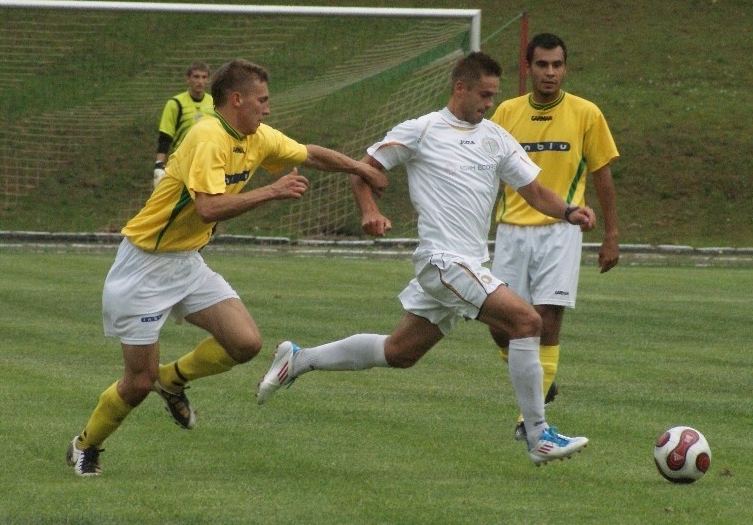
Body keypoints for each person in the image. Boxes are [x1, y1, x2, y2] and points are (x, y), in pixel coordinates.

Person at [257, 52, 594, 466]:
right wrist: (370, 211)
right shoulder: (422, 130)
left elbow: (535, 191)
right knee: (527, 322)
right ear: (460, 88)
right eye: (484, 95)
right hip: (443, 262)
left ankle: (300, 358)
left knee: (400, 352)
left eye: (493, 96)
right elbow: (365, 169)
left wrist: (569, 212)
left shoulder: (497, 138)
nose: (489, 103)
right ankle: (538, 435)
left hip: (468, 265)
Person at [65, 58, 388, 477]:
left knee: (244, 342)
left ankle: (173, 379)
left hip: (186, 262)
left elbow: (309, 154)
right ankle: (85, 445)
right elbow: (207, 208)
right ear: (237, 99)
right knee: (137, 383)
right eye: (262, 101)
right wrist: (271, 191)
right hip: (143, 267)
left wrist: (360, 167)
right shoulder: (207, 136)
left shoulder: (255, 136)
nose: (268, 109)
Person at [489, 33, 620, 441]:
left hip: (562, 232)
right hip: (511, 231)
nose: (550, 72)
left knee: (547, 322)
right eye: (542, 65)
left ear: (565, 67)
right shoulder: (506, 113)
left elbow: (602, 173)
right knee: (498, 323)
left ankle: (530, 418)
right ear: (528, 67)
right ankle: (541, 382)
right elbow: (484, 169)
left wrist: (612, 234)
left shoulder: (586, 113)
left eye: (557, 65)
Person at [153, 62, 217, 188]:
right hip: (181, 163)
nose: (200, 81)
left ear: (208, 80)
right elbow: (165, 136)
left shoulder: (214, 103)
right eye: (196, 77)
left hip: (207, 163)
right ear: (188, 79)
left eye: (204, 77)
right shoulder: (175, 103)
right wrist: (159, 164)